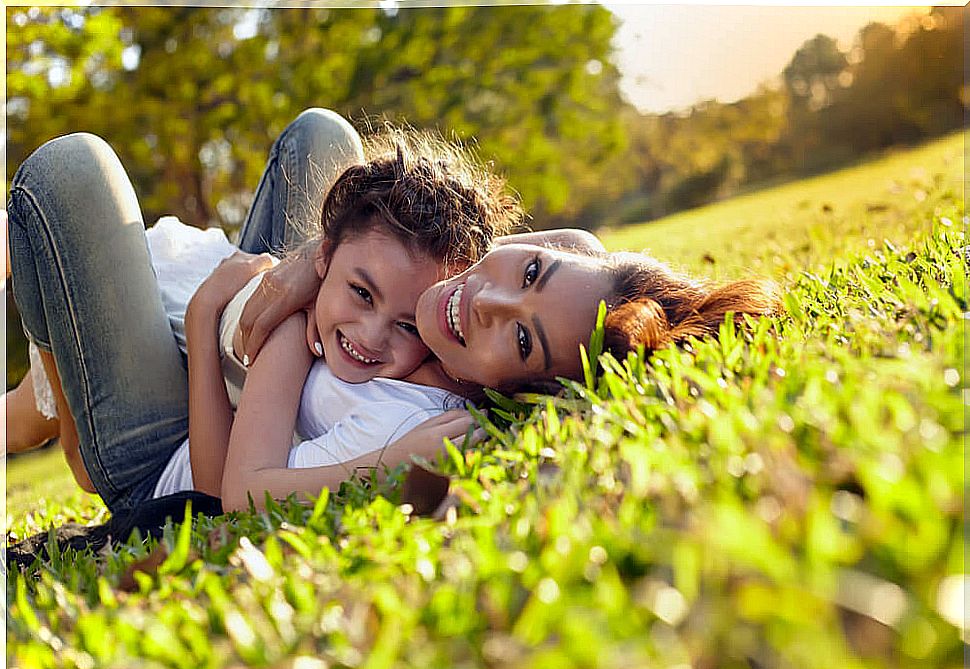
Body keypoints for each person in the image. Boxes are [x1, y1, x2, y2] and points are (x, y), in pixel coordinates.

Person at [8, 113, 783, 516]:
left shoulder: (416, 414)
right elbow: (578, 245)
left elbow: (230, 492)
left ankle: (58, 386)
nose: (484, 298)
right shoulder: (468, 291)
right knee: (324, 135)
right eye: (531, 269)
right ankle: (49, 394)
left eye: (519, 336)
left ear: (531, 384)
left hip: (171, 434)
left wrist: (264, 307)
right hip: (230, 344)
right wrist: (321, 262)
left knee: (70, 170)